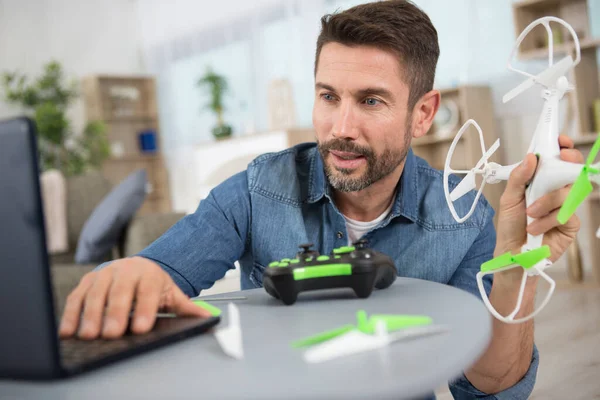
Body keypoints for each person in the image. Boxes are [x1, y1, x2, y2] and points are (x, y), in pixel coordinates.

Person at [59, 1, 582, 398]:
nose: (341, 128)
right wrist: (132, 279)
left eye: (371, 101)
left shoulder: (462, 217)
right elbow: (159, 273)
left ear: (423, 115)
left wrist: (521, 257)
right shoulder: (256, 190)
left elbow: (493, 387)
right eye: (328, 96)